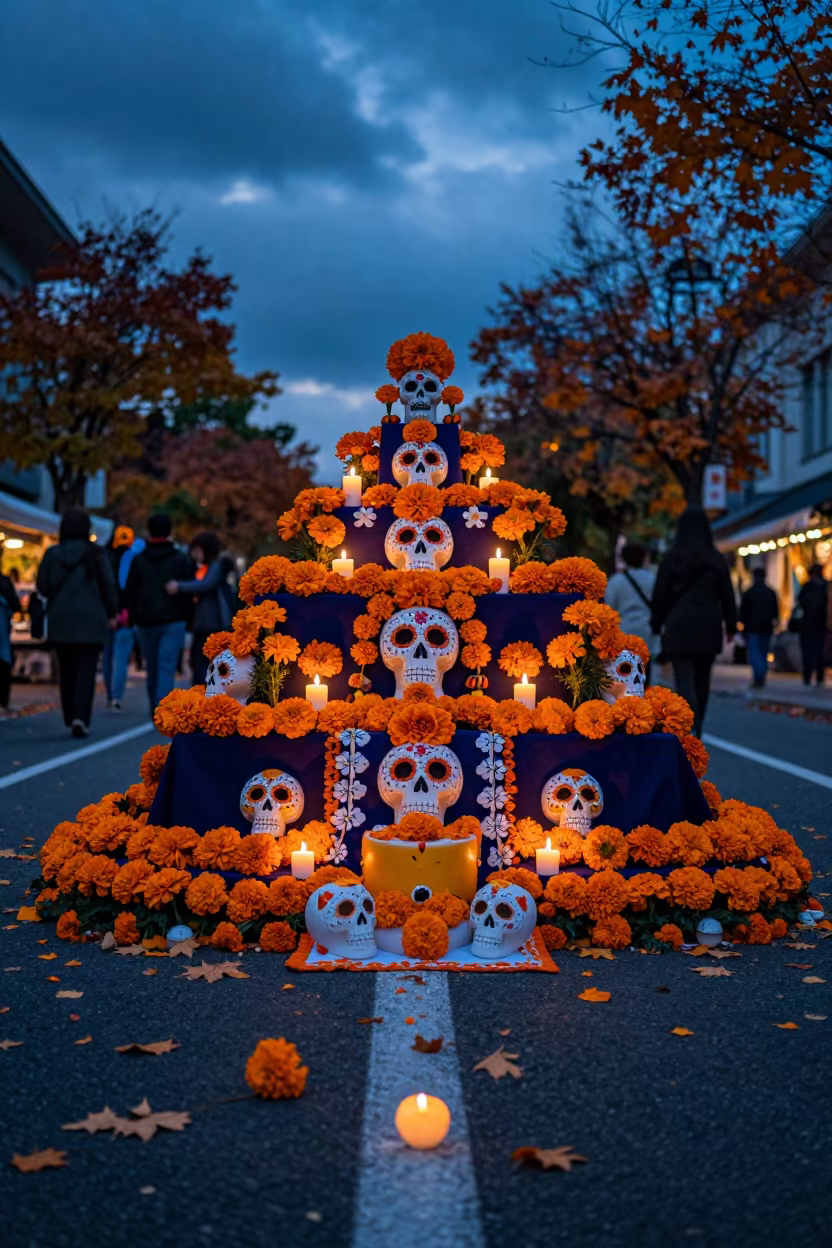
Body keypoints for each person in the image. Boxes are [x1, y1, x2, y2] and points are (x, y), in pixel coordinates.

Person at [650, 506, 737, 737]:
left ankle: (688, 724)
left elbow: (660, 594)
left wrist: (657, 623)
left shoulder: (672, 558)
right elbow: (727, 594)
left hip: (679, 623)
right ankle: (697, 726)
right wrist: (731, 625)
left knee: (684, 676)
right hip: (708, 623)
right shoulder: (716, 558)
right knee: (703, 678)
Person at [36, 508, 118, 737]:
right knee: (86, 671)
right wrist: (113, 613)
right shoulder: (96, 554)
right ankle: (81, 717)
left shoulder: (53, 554)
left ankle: (70, 715)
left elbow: (43, 585)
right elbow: (107, 587)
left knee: (67, 670)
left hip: (60, 620)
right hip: (91, 621)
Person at [125, 514, 193, 714]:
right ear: (170, 533)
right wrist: (188, 619)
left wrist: (132, 616)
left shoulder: (138, 561)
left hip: (146, 620)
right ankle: (161, 707)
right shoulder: (180, 560)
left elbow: (130, 591)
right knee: (167, 665)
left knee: (152, 665)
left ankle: (154, 705)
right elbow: (188, 593)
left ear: (148, 532)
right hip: (173, 620)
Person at [164, 531, 232, 686]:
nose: (194, 555)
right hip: (205, 623)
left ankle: (205, 695)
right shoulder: (208, 567)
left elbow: (205, 585)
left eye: (197, 550)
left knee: (204, 662)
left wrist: (178, 586)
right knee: (200, 662)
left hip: (211, 623)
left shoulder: (215, 566)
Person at [605, 540, 658, 682]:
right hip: (646, 633)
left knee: (625, 678)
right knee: (645, 676)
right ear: (644, 558)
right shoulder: (652, 580)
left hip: (624, 633)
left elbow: (609, 608)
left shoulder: (616, 581)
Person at [101, 525, 137, 710]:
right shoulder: (133, 558)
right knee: (121, 657)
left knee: (107, 655)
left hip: (107, 613)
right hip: (126, 613)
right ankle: (116, 696)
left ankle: (109, 694)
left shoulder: (105, 558)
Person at [739, 567, 779, 689]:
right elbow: (775, 611)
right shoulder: (770, 592)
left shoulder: (749, 592)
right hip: (766, 626)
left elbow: (743, 611)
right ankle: (761, 674)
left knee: (755, 653)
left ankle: (759, 675)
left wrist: (742, 624)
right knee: (763, 651)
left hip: (752, 627)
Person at [796, 563, 829, 687]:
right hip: (821, 624)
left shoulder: (808, 587)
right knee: (820, 651)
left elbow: (800, 602)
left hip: (808, 625)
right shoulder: (825, 586)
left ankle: (808, 676)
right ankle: (818, 676)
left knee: (808, 652)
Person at [0, 562, 21, 718]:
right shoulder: (4, 581)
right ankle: (2, 704)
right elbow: (15, 604)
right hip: (1, 631)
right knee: (3, 661)